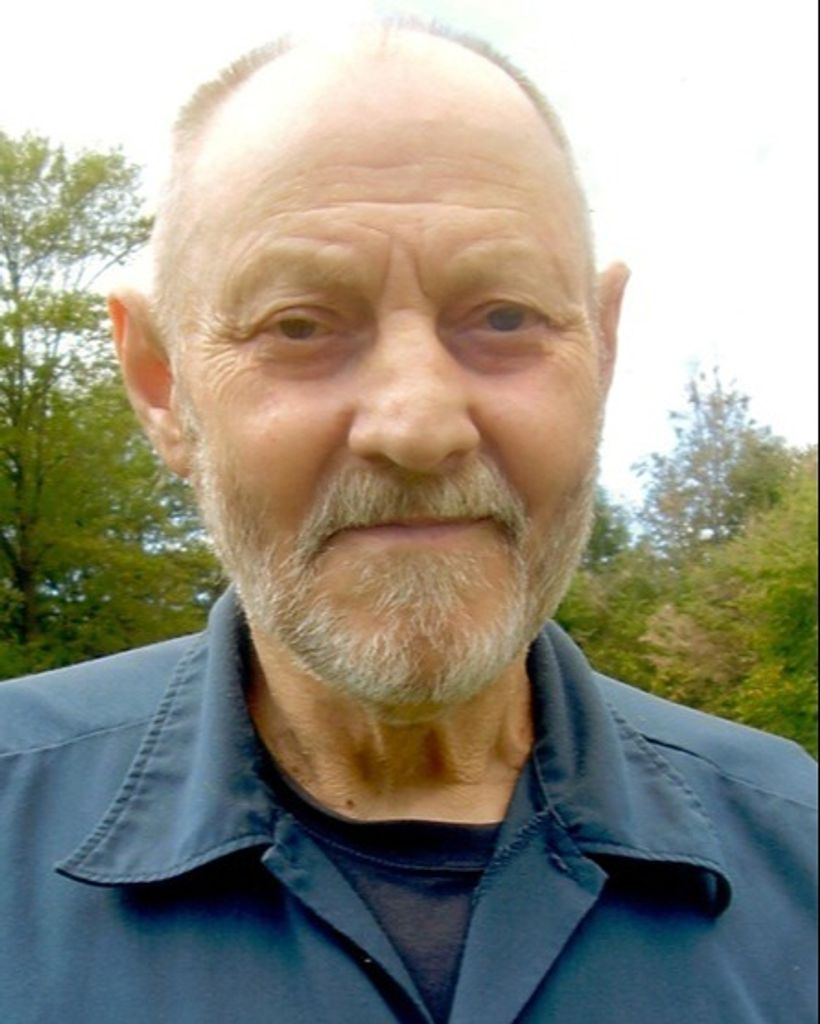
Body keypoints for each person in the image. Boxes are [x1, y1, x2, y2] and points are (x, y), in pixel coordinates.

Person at [0, 20, 815, 1024]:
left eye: (505, 318)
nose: (419, 426)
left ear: (602, 353)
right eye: (300, 325)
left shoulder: (799, 852)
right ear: (161, 383)